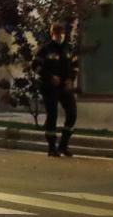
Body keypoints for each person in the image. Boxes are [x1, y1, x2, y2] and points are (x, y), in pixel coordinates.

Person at [33, 22, 79, 157]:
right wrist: (50, 76)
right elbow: (35, 66)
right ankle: (52, 147)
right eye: (57, 33)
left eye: (61, 33)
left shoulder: (69, 49)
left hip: (65, 87)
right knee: (52, 115)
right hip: (50, 88)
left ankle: (63, 145)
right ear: (52, 34)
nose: (60, 36)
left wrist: (71, 79)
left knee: (72, 114)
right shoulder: (45, 49)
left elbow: (75, 66)